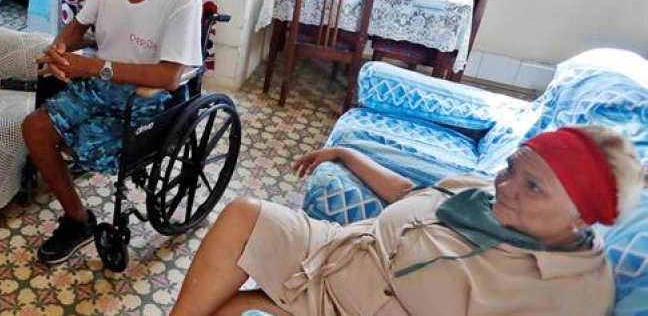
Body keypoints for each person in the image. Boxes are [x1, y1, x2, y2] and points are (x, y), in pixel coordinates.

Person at [172, 124, 643, 316]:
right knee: (243, 215)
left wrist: (267, 303)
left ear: (582, 216)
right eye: (512, 167)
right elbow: (408, 193)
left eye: (533, 185)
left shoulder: (571, 293)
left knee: (236, 306)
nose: (505, 186)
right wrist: (347, 152)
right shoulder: (482, 191)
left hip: (361, 303)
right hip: (341, 249)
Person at [23, 0, 204, 264]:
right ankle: (78, 220)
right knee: (36, 129)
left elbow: (169, 75)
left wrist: (91, 66)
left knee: (86, 141)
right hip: (100, 85)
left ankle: (81, 178)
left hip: (149, 99)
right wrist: (59, 49)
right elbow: (79, 25)